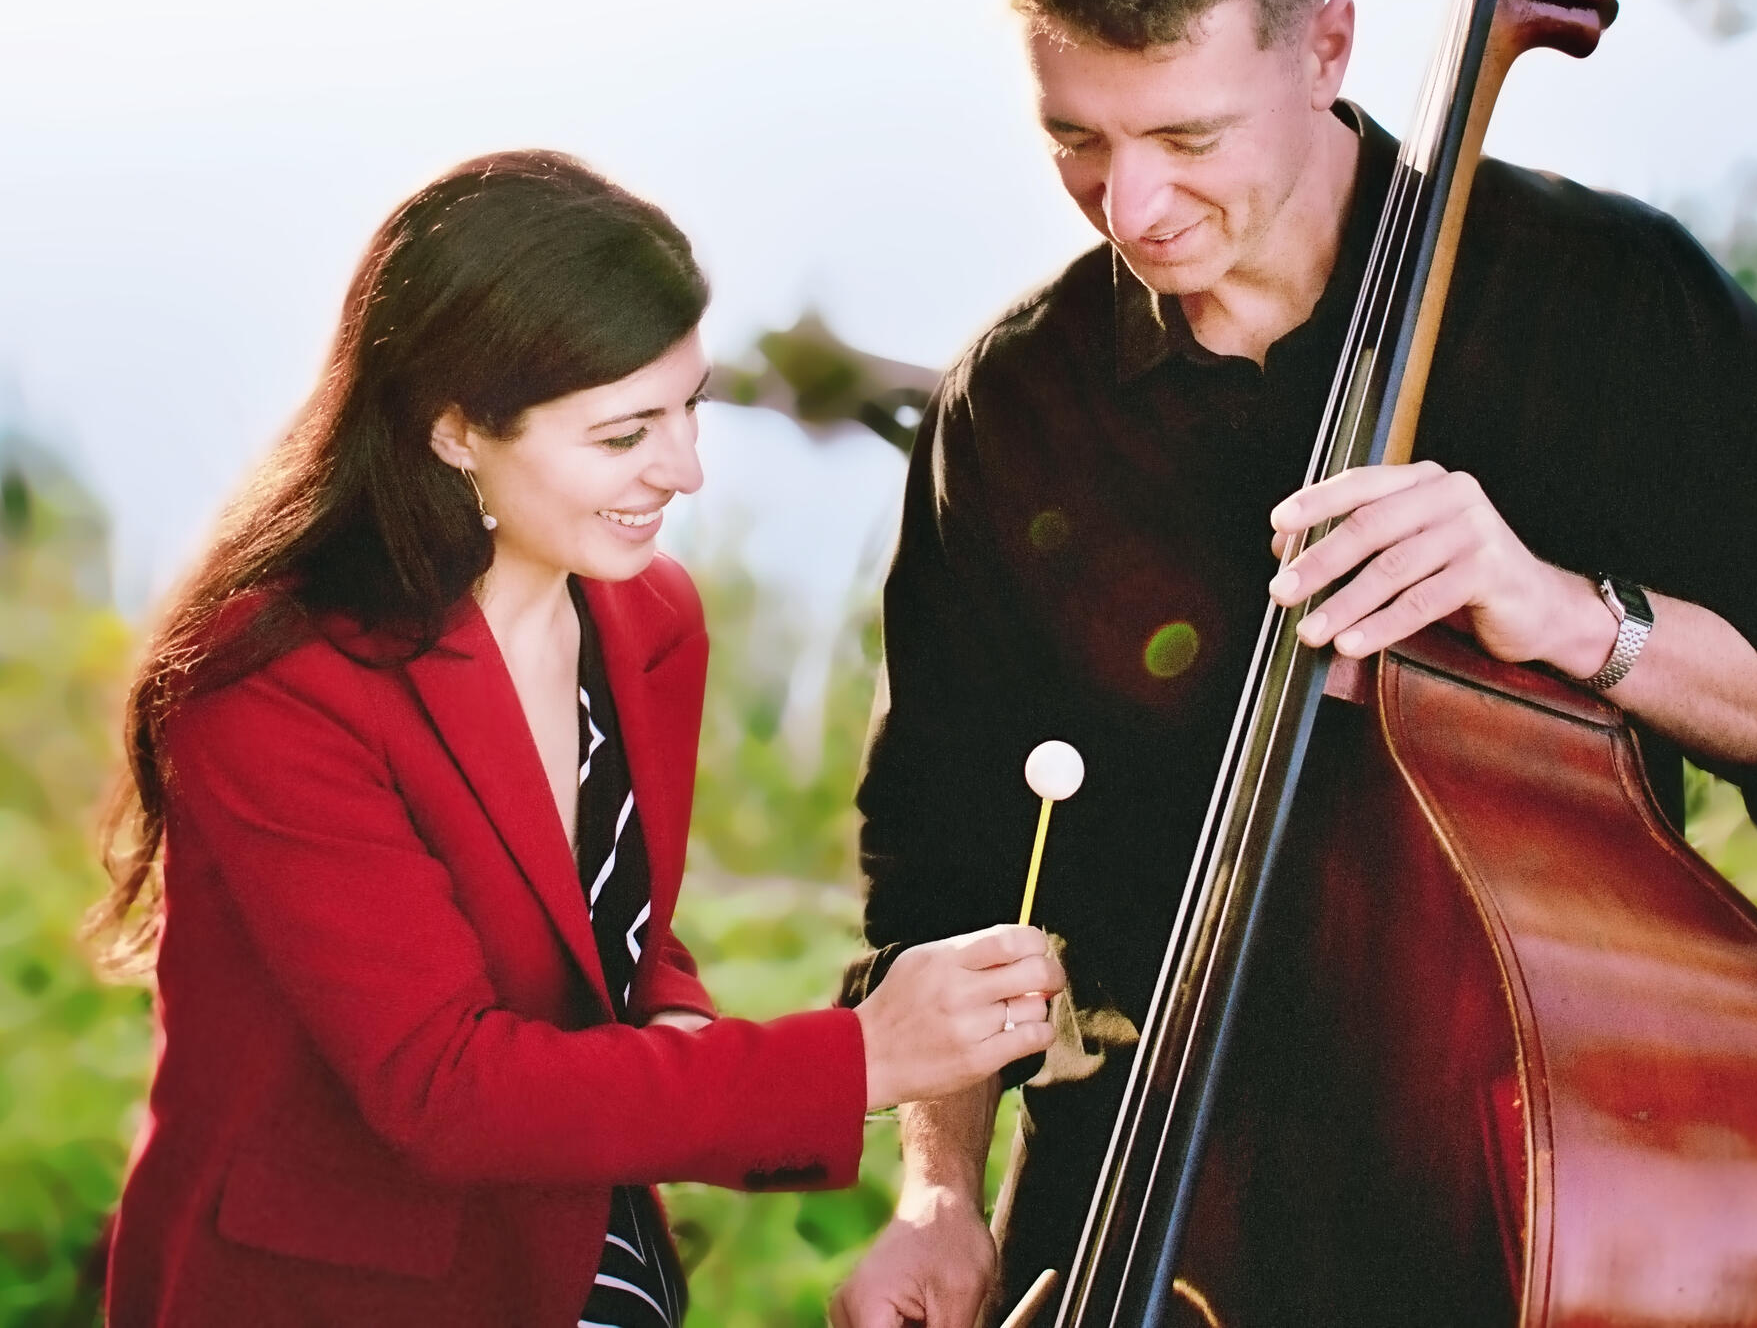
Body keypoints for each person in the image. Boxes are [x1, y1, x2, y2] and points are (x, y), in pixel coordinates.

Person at [831, 0, 1757, 1328]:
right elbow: (941, 866)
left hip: (1507, 1204)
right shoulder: (1018, 406)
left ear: (1327, 49)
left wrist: (1560, 614)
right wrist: (940, 1198)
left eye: (1188, 138)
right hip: (1133, 1206)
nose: (1132, 207)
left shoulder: (1605, 305)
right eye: (1077, 139)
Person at [90, 151, 1064, 1328]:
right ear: (455, 428)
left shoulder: (647, 620)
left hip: (578, 1262)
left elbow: (611, 943)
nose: (686, 470)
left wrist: (689, 1044)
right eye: (624, 434)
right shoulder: (279, 684)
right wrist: (858, 1057)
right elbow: (444, 1091)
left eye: (690, 404)